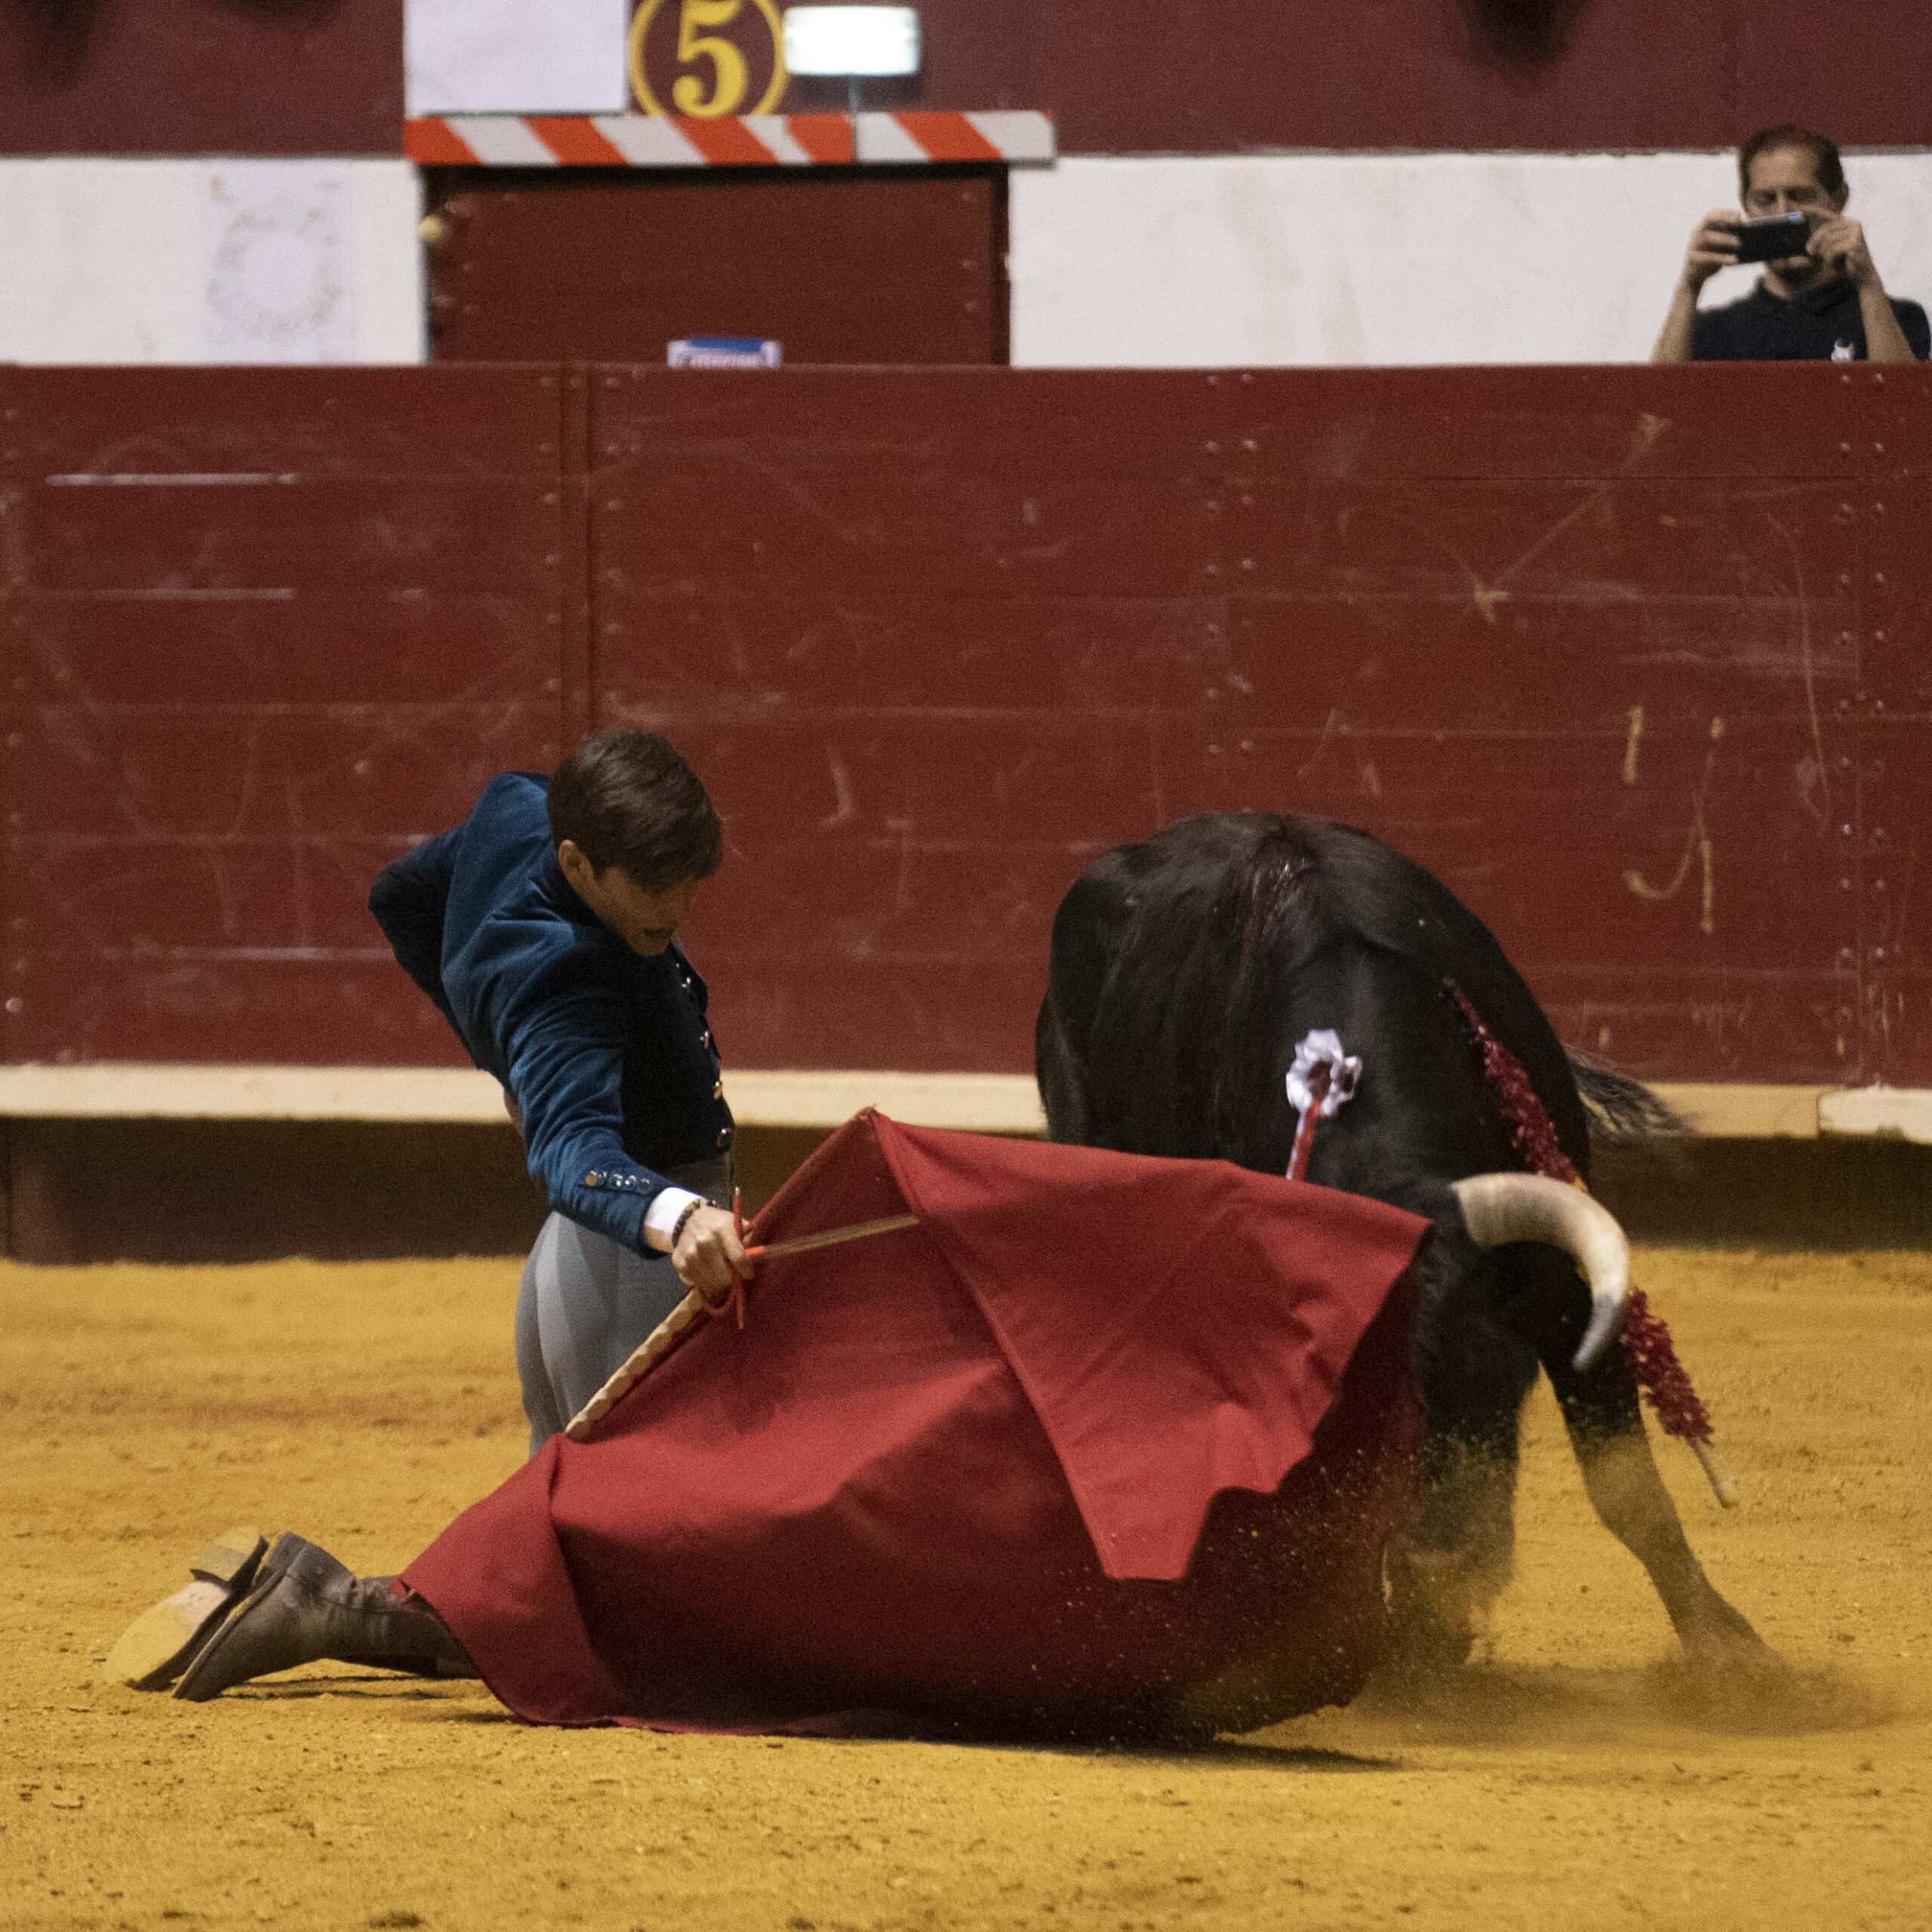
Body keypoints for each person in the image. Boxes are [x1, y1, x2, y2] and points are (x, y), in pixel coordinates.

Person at [368, 730, 755, 1451]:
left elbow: (399, 897)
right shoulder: (567, 981)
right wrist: (678, 1218)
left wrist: (511, 1062)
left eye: (689, 882)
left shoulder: (519, 810)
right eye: (652, 885)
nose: (679, 908)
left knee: (567, 1471)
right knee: (642, 1483)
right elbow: (570, 1150)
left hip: (580, 1251)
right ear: (577, 863)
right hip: (634, 1255)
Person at [1653, 125, 1929, 365]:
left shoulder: (1898, 319)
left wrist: (1868, 282)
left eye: (1800, 196)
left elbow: (1903, 402)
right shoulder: (1714, 331)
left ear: (1839, 198)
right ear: (1746, 205)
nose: (1783, 213)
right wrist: (1689, 287)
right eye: (1766, 200)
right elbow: (1658, 402)